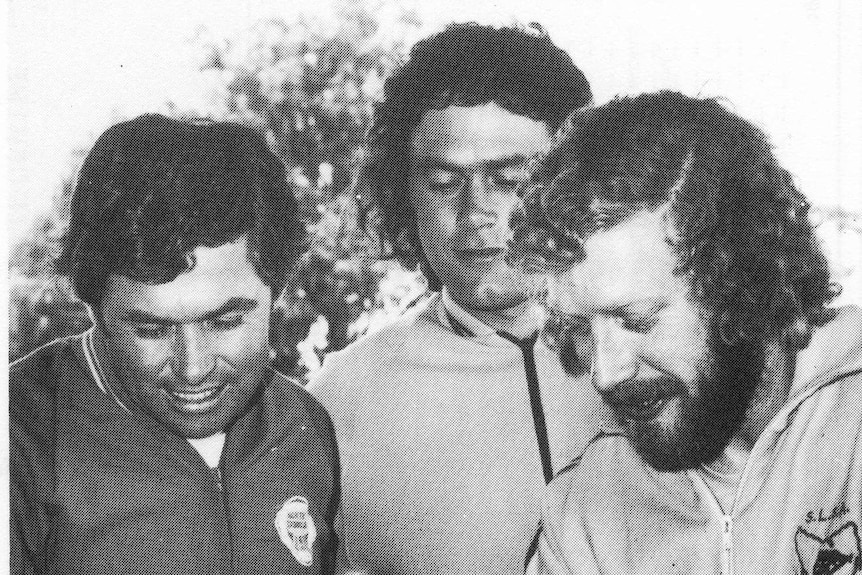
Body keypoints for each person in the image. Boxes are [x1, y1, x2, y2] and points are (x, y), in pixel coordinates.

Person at [509, 91, 862, 574]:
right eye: (579, 330)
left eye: (637, 320)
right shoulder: (585, 512)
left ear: (741, 282)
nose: (605, 373)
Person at [307, 23, 611, 574]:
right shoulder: (341, 399)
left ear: (573, 181)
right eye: (445, 183)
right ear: (404, 196)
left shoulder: (648, 351)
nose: (475, 213)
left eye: (509, 180)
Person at [10, 115, 340, 574]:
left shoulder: (303, 425)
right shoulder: (21, 431)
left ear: (276, 292)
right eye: (150, 330)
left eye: (225, 322)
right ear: (94, 309)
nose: (193, 368)